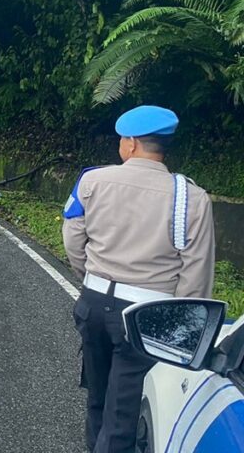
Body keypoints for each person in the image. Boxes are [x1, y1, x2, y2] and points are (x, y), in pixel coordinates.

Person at [62, 104, 216, 453]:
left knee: (98, 400)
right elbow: (196, 272)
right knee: (124, 413)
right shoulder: (191, 198)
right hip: (148, 317)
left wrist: (89, 278)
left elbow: (73, 240)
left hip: (95, 305)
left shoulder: (92, 180)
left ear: (130, 143)